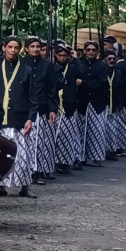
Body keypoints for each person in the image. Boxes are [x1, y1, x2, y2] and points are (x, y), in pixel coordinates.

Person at [0, 32, 37, 198]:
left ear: (20, 50)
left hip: (20, 118)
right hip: (0, 118)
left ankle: (24, 187)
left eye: (16, 48)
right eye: (10, 47)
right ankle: (1, 187)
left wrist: (30, 118)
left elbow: (32, 96)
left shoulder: (26, 70)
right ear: (4, 48)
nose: (13, 50)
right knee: (1, 154)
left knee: (22, 155)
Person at [24, 32, 59, 182]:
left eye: (38, 46)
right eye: (32, 46)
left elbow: (52, 88)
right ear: (26, 49)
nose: (35, 49)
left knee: (40, 141)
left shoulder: (47, 65)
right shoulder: (22, 64)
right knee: (27, 141)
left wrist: (52, 109)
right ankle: (26, 171)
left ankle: (38, 172)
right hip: (25, 108)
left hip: (42, 106)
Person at [53, 41, 83, 173]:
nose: (62, 58)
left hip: (68, 105)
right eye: (60, 55)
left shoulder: (72, 68)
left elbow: (81, 71)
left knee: (67, 135)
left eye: (65, 55)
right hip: (55, 105)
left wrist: (75, 58)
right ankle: (55, 161)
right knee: (56, 136)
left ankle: (66, 162)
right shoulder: (52, 67)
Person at [79, 41, 110, 164]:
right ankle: (80, 157)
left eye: (93, 50)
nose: (91, 52)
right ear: (84, 51)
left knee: (97, 130)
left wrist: (84, 83)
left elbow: (101, 82)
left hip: (97, 102)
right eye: (88, 50)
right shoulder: (79, 63)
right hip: (81, 101)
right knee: (81, 130)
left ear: (97, 52)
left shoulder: (102, 65)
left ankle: (96, 157)